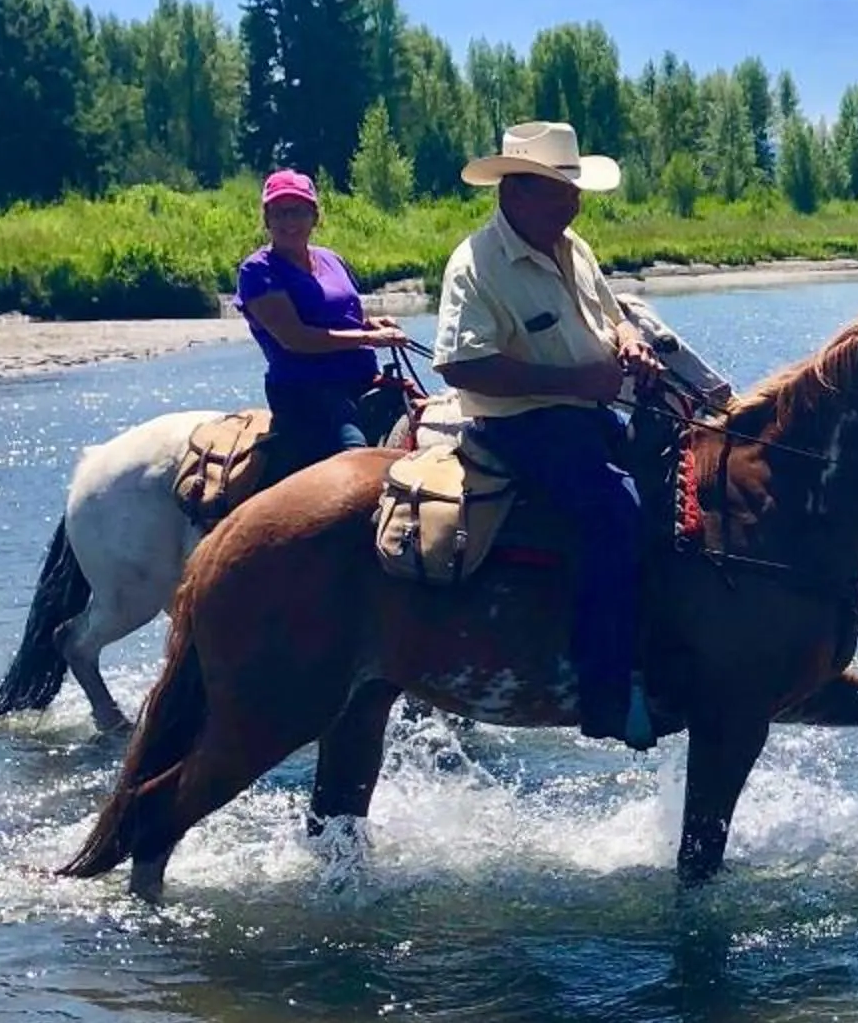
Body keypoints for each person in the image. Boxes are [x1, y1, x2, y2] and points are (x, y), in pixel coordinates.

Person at [432, 119, 670, 748]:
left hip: (588, 412)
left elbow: (613, 317)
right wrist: (574, 382)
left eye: (572, 189)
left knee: (684, 478)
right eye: (559, 189)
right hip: (520, 426)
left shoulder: (573, 246)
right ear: (514, 193)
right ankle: (605, 695)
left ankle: (669, 647)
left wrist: (630, 343)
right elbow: (461, 363)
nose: (574, 200)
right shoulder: (476, 263)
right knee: (615, 513)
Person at [235, 169, 410, 476]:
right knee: (358, 462)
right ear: (267, 219)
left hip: (363, 381)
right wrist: (368, 338)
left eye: (299, 212)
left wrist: (371, 324)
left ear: (314, 216)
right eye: (280, 213)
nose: (289, 222)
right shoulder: (258, 271)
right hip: (308, 393)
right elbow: (295, 338)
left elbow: (339, 318)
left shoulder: (330, 258)